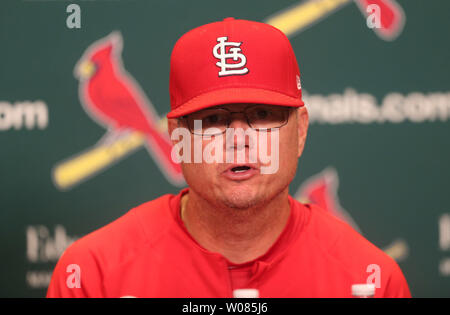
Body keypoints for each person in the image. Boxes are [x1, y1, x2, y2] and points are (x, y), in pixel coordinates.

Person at [47, 17, 411, 298]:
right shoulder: (95, 274)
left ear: (300, 131)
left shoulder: (369, 279)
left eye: (263, 116)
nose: (239, 140)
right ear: (177, 138)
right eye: (214, 120)